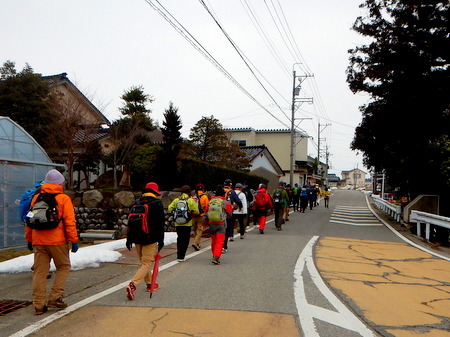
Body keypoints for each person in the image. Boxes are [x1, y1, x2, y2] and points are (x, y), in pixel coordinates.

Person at [25, 169, 79, 315]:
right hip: (57, 240)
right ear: (60, 183)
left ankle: (38, 306)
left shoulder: (36, 198)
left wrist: (29, 239)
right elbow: (69, 222)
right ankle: (55, 298)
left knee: (40, 272)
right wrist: (73, 240)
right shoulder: (63, 198)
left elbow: (29, 220)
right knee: (63, 266)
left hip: (38, 239)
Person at [125, 182, 165, 300]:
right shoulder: (157, 203)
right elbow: (160, 224)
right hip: (150, 238)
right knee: (147, 263)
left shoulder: (137, 202)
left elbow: (130, 222)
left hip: (136, 237)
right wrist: (161, 240)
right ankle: (133, 285)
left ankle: (149, 284)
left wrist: (129, 239)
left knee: (144, 263)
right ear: (155, 193)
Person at [168, 185, 199, 261]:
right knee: (185, 239)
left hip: (178, 223)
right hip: (187, 223)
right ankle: (182, 256)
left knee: (179, 238)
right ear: (189, 192)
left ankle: (179, 254)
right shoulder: (190, 200)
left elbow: (169, 208)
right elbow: (196, 211)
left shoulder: (176, 200)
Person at [205, 185, 232, 264]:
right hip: (220, 223)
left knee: (213, 240)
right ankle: (216, 256)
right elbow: (230, 214)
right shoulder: (225, 202)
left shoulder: (211, 201)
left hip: (211, 223)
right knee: (220, 241)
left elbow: (206, 212)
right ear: (223, 194)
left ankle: (214, 254)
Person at [222, 179, 243, 253]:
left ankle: (216, 245)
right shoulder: (231, 192)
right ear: (230, 185)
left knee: (219, 230)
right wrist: (240, 206)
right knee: (227, 229)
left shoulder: (220, 190)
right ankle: (224, 246)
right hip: (228, 213)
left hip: (219, 212)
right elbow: (238, 201)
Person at [191, 183, 209, 251]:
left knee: (195, 229)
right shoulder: (204, 197)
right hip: (201, 215)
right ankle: (195, 242)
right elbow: (207, 206)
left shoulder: (193, 196)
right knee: (200, 229)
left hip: (194, 215)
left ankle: (197, 242)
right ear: (203, 189)